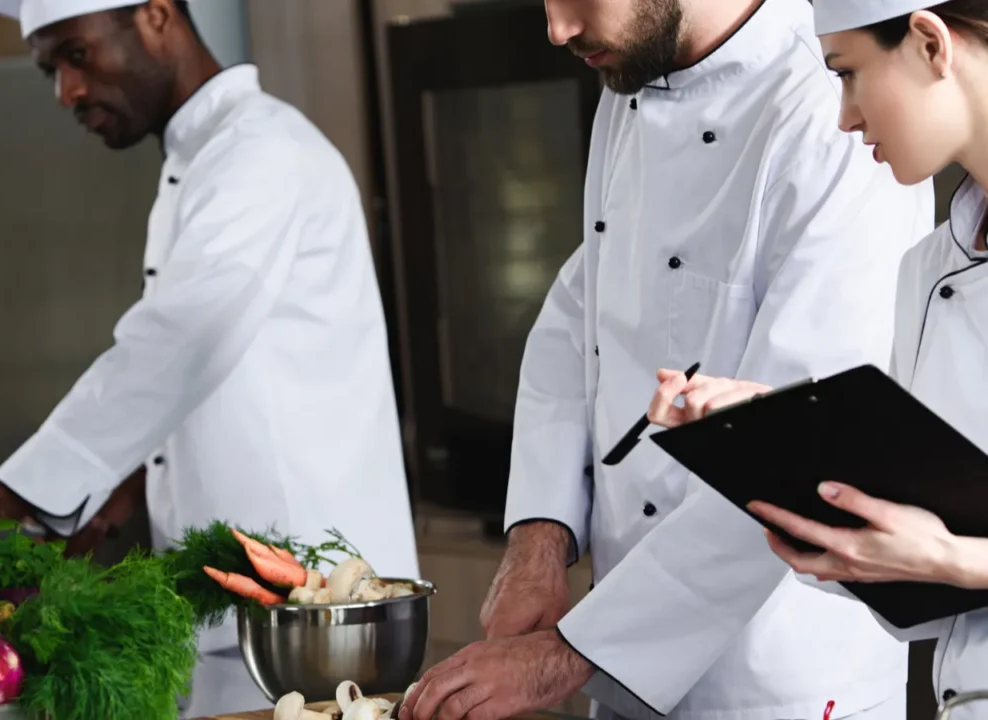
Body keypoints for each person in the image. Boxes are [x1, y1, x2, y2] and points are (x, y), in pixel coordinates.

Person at [0, 0, 421, 716]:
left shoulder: (261, 154)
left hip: (315, 623)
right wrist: (116, 491)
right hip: (234, 617)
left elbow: (177, 346)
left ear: (158, 14)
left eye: (75, 54)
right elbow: (219, 375)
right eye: (50, 70)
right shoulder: (199, 162)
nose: (65, 92)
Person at [400, 0, 938, 718]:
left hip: (777, 683)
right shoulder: (629, 73)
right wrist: (540, 538)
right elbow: (580, 313)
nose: (557, 29)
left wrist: (564, 656)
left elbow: (802, 451)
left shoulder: (834, 114)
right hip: (617, 655)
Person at [644, 0, 988, 714]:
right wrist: (774, 438)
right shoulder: (929, 269)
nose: (846, 117)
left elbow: (949, 551)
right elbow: (925, 519)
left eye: (850, 74)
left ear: (929, 42)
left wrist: (955, 561)